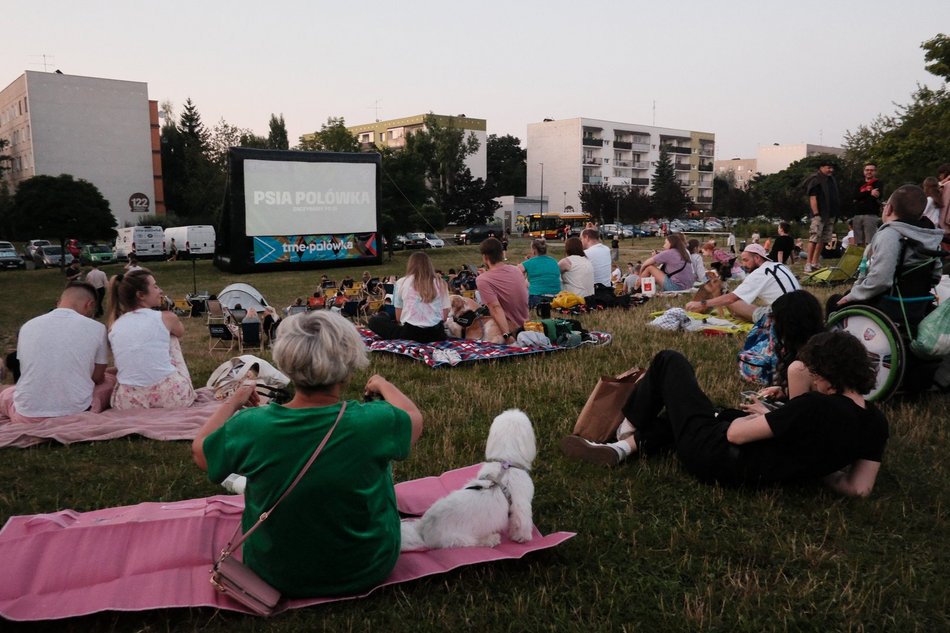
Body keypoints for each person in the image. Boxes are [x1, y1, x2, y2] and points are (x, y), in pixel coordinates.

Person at [192, 310, 422, 597]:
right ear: (349, 363)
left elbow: (201, 451)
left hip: (273, 572)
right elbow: (414, 418)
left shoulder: (251, 426)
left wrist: (234, 402)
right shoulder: (375, 421)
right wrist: (383, 384)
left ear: (287, 362)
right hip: (367, 565)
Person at [561, 331, 887, 497]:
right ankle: (621, 451)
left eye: (815, 374)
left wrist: (755, 419)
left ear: (828, 373)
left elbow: (736, 435)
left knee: (669, 361)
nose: (813, 380)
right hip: (756, 473)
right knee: (686, 413)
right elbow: (858, 488)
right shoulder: (875, 423)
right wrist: (813, 467)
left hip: (714, 455)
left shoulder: (815, 407)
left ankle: (625, 429)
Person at [0, 282, 115, 423]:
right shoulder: (97, 328)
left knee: (8, 393)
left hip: (27, 414)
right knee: (110, 382)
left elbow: (26, 368)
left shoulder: (27, 326)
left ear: (60, 301)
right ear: (90, 304)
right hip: (78, 410)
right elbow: (97, 377)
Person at [835, 184, 944, 329]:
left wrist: (852, 296)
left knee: (834, 302)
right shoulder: (930, 235)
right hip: (919, 304)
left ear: (889, 208)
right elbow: (936, 276)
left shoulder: (890, 235)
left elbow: (881, 281)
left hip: (889, 304)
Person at [107, 268, 196, 409]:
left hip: (127, 401)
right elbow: (180, 332)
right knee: (171, 337)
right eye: (155, 286)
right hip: (171, 396)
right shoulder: (166, 317)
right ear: (141, 295)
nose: (160, 290)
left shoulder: (114, 326)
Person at [686, 243, 800, 322]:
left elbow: (731, 298)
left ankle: (740, 315)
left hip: (785, 318)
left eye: (746, 260)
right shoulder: (779, 265)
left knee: (727, 299)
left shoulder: (759, 273)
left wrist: (701, 303)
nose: (743, 265)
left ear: (757, 258)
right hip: (801, 311)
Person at [368, 251, 450, 343]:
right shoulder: (441, 283)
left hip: (411, 334)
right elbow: (444, 317)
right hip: (437, 334)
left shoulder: (401, 282)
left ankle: (383, 316)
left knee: (374, 321)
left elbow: (399, 318)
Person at [476, 237, 529, 343]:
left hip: (509, 329)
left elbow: (495, 308)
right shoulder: (516, 270)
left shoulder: (483, 279)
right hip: (525, 323)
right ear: (501, 253)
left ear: (485, 257)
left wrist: (507, 335)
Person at [804, 159, 840, 273]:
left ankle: (815, 262)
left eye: (831, 168)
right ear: (821, 167)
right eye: (828, 167)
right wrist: (816, 213)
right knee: (814, 238)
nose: (831, 170)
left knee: (823, 239)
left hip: (830, 214)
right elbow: (813, 198)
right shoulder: (815, 180)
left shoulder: (831, 180)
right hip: (820, 214)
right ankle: (808, 263)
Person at [518, 239, 561, 308]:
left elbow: (515, 272)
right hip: (556, 298)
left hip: (537, 297)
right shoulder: (554, 261)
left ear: (534, 250)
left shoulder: (529, 263)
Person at [852, 163, 884, 246]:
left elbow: (875, 196)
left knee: (870, 241)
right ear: (864, 171)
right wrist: (869, 192)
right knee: (858, 241)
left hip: (871, 214)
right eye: (867, 170)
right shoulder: (858, 183)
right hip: (857, 214)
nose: (869, 172)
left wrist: (861, 195)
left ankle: (869, 258)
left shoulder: (878, 183)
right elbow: (854, 196)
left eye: (871, 170)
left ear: (875, 172)